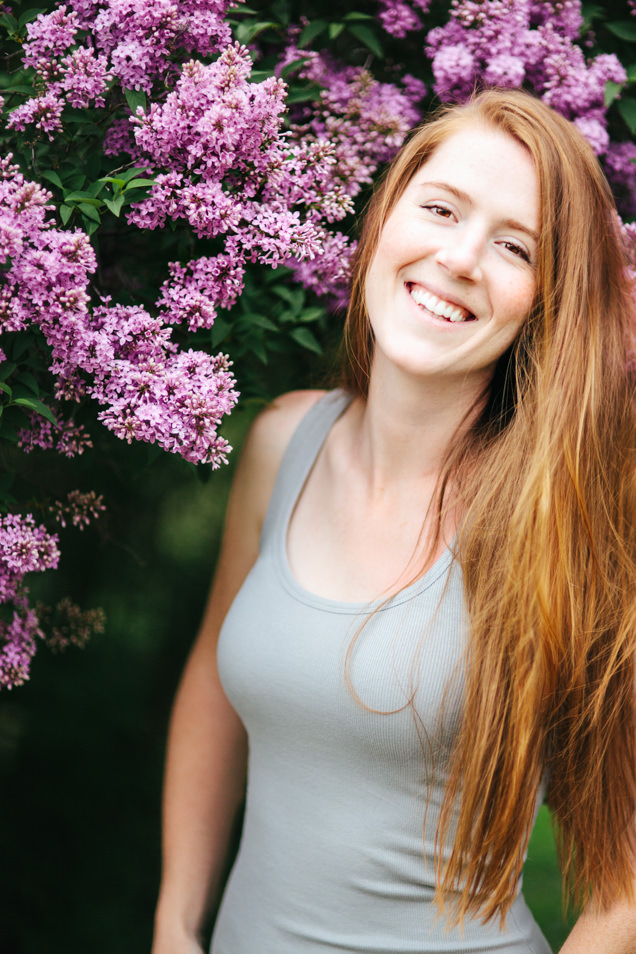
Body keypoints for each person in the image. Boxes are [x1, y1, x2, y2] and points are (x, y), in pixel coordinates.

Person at [150, 88, 636, 954]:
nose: (457, 257)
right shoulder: (281, 444)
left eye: (514, 247)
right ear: (385, 217)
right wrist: (176, 923)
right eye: (441, 208)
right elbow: (214, 685)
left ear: (546, 302)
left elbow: (622, 892)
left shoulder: (559, 523)